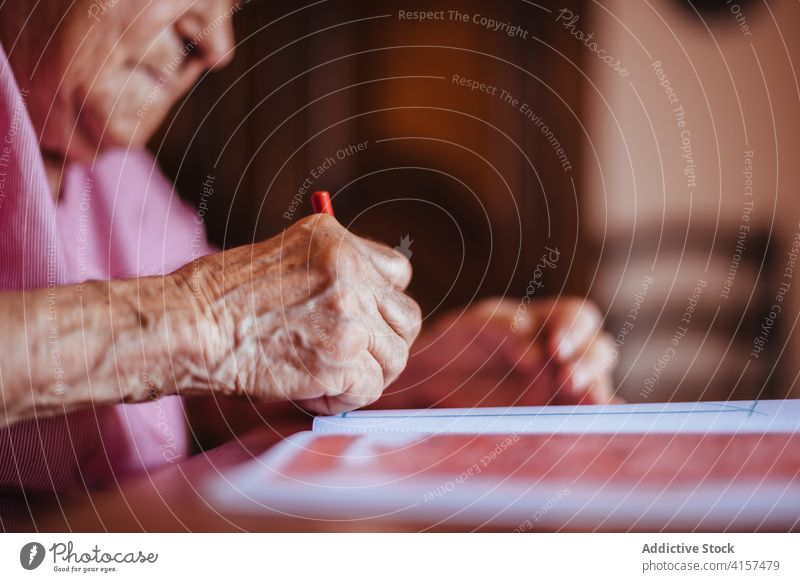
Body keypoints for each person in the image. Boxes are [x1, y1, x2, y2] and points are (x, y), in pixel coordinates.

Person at [0, 0, 615, 524]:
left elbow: (205, 399)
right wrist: (208, 321)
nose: (215, 44)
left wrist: (413, 377)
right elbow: (212, 336)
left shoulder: (123, 179)